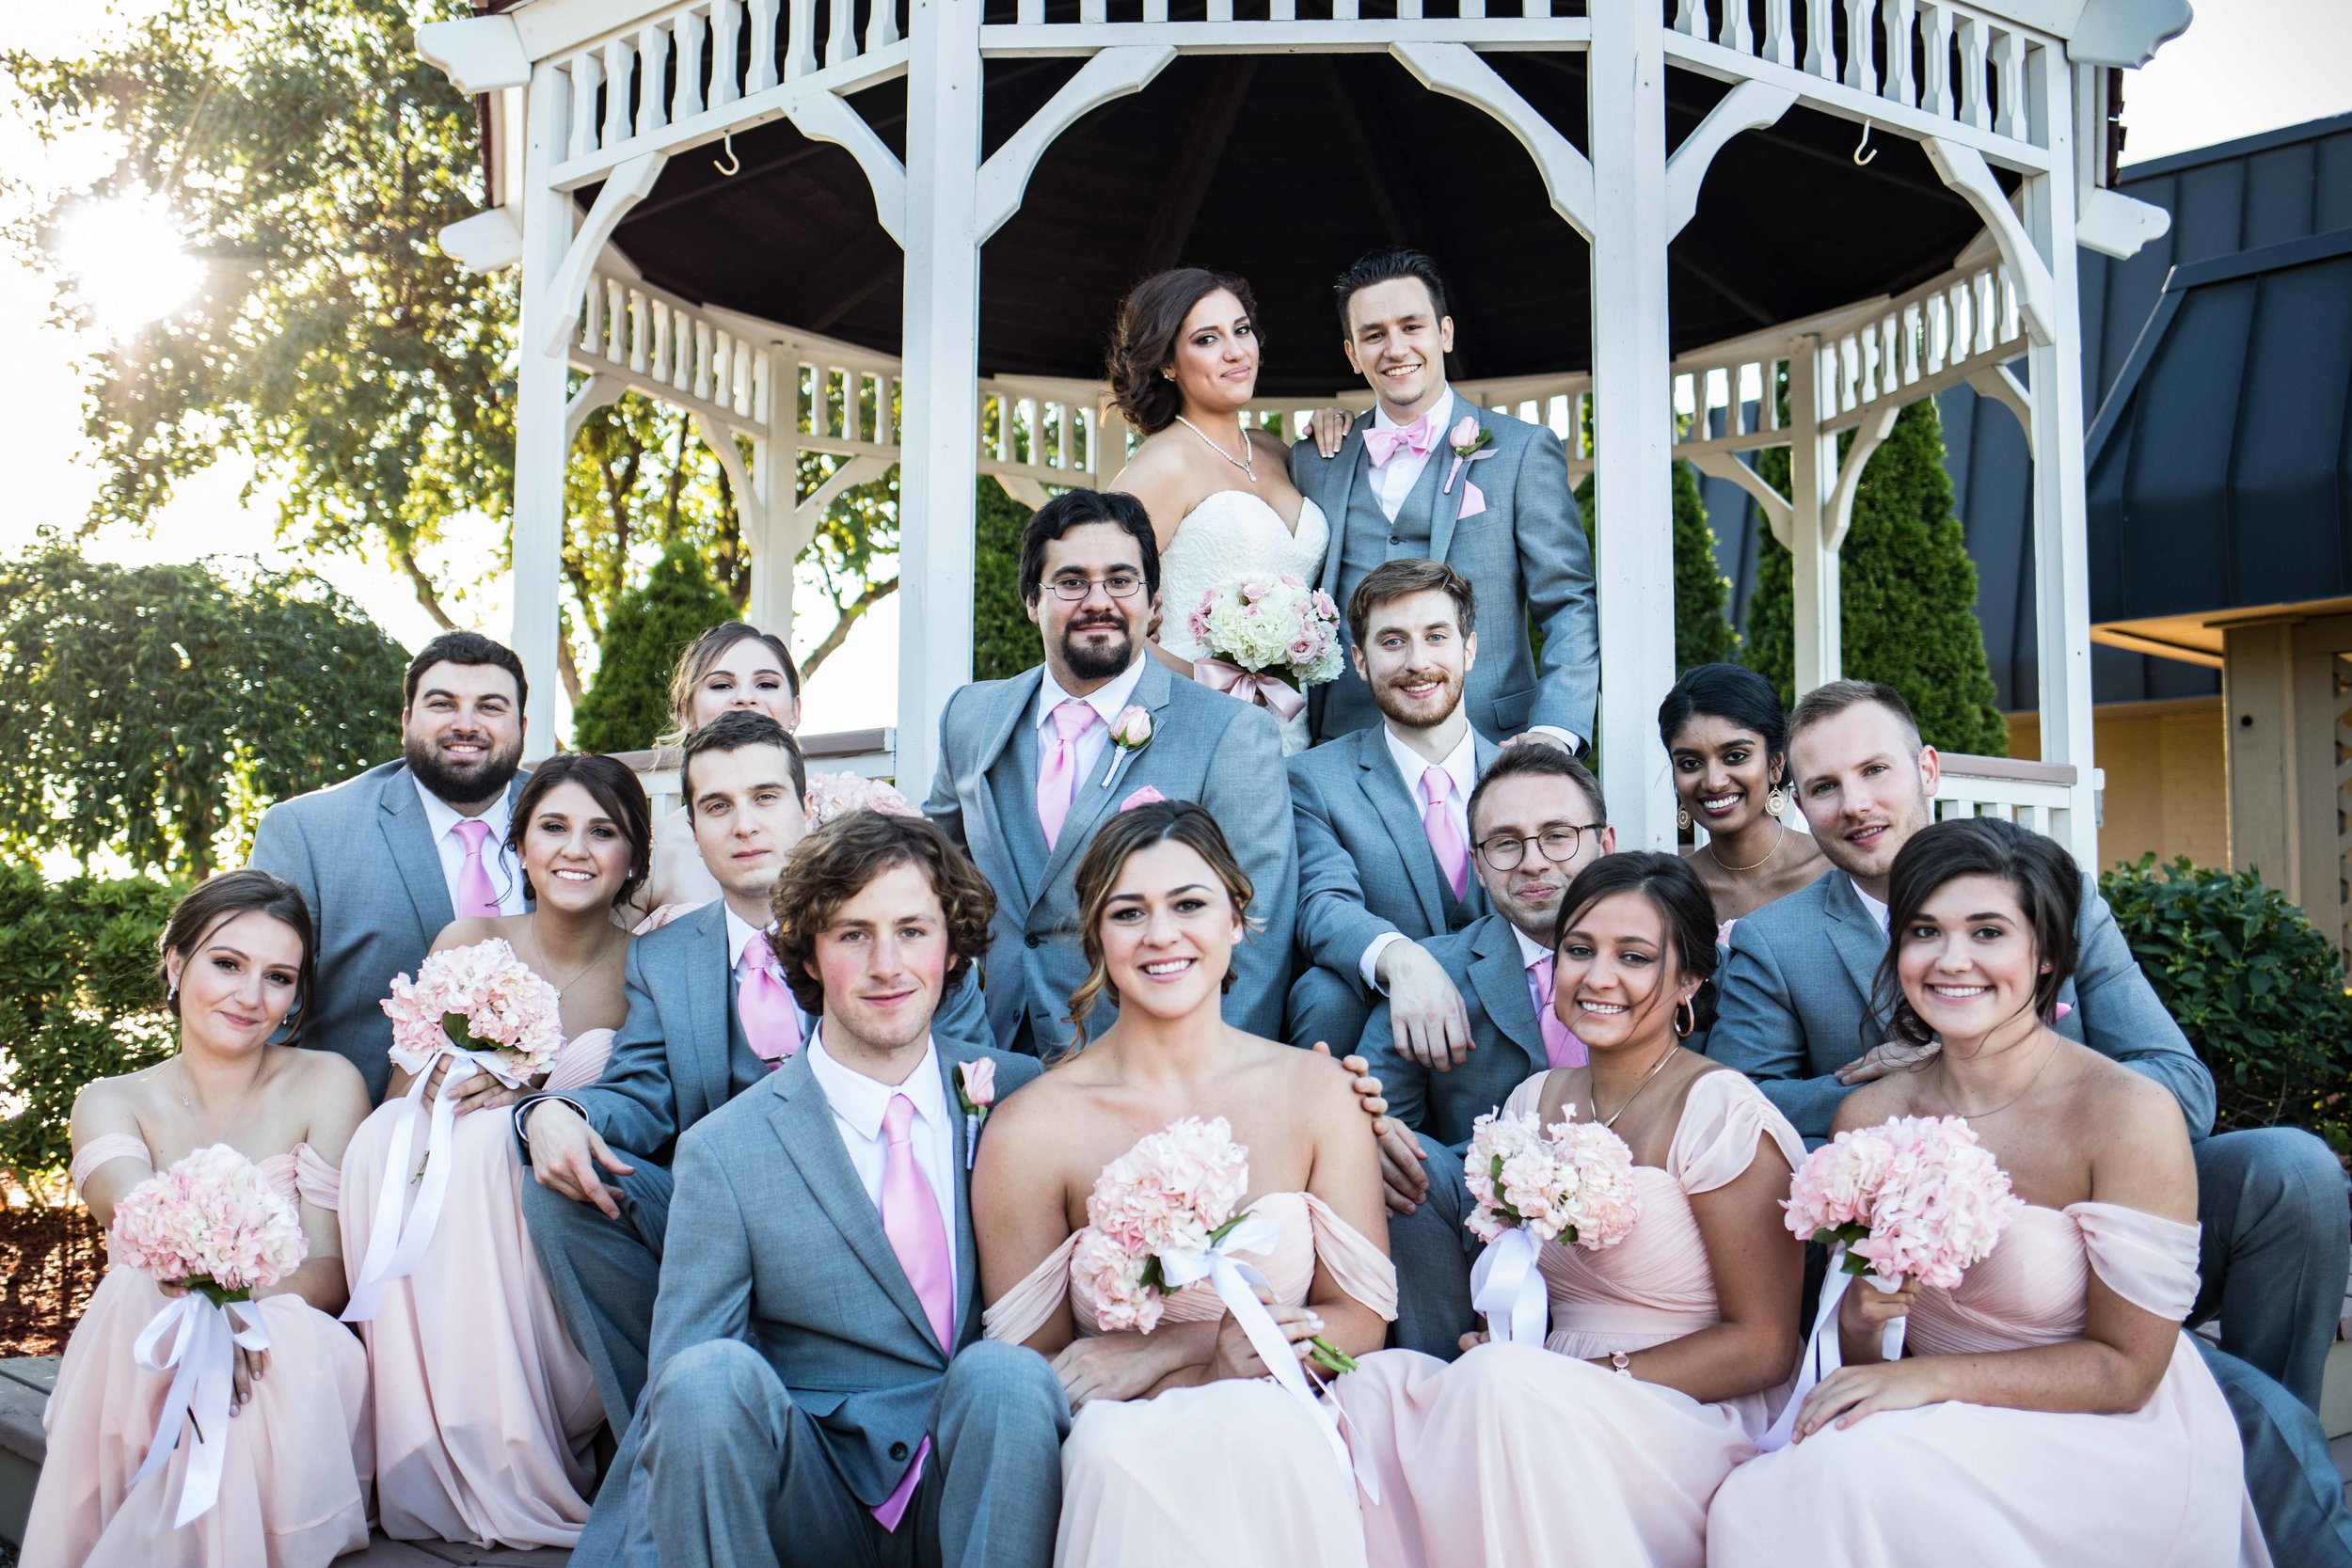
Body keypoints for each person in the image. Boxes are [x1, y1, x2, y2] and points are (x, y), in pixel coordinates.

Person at [1708, 678, 2352, 1566]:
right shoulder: (1779, 946)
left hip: (2103, 1213)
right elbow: (1745, 1108)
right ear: (1800, 804)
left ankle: (2246, 1437)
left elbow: (2176, 1078)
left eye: (1874, 770)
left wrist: (2050, 1117)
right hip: (1928, 1261)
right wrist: (1905, 1083)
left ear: (1925, 769)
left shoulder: (2059, 897)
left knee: (2294, 1175)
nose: (1855, 802)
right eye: (1824, 786)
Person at [576, 810, 1067, 1568]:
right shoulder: (725, 1150)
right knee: (706, 1377)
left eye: (913, 930)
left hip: (972, 1479)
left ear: (952, 944)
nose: (887, 964)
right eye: (852, 933)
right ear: (806, 954)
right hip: (811, 1502)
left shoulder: (1020, 1095)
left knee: (1008, 1376)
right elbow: (680, 1404)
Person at [1333, 852, 1804, 1568]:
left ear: (1689, 981)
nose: (1598, 975)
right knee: (1373, 1389)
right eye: (1579, 949)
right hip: (1543, 1382)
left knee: (1499, 1388)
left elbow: (1766, 1345)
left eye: (1635, 956)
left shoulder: (1721, 1111)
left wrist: (1587, 1376)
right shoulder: (1535, 1100)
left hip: (1684, 1412)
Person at [975, 800, 1393, 1568]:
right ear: (1097, 936)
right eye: (1129, 911)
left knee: (1263, 1430)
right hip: (1124, 1439)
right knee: (1118, 1452)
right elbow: (1035, 1373)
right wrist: (1183, 1376)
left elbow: (1364, 1313)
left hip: (1283, 1415)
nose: (1162, 934)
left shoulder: (1317, 1090)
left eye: (1190, 904)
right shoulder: (1031, 1127)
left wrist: (1185, 1346)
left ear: (1237, 918)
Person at [339, 753, 650, 1549]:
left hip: (555, 1220)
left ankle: (514, 1438)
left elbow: (652, 1107)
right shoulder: (469, 938)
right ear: (518, 844)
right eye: (553, 826)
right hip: (440, 1222)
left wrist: (532, 1101)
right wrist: (461, 1071)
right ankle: (422, 1435)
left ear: (632, 857)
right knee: (393, 1137)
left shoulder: (650, 964)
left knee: (487, 1150)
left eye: (602, 831)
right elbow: (400, 1093)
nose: (575, 848)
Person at [26, 871, 373, 1568]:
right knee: (139, 1295)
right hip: (148, 1342)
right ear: (177, 962)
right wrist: (208, 1317)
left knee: (254, 1346)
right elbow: (143, 1238)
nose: (251, 996)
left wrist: (236, 1313)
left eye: (278, 976)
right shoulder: (111, 1098)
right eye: (227, 963)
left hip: (286, 1341)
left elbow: (332, 1273)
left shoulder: (328, 1080)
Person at [515, 712, 822, 1432]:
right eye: (717, 805)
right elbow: (640, 1094)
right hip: (714, 1213)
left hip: (860, 1209)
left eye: (765, 797)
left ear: (805, 808)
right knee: (564, 1189)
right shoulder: (665, 955)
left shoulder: (879, 926)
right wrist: (556, 1112)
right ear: (693, 825)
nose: (743, 823)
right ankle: (656, 1435)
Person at [926, 486, 1298, 1053]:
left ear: (1154, 602)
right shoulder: (969, 717)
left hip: (1149, 1056)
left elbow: (1259, 929)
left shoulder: (1230, 734)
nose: (1098, 600)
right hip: (995, 1052)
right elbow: (930, 878)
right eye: (1072, 582)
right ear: (1032, 600)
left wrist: (1211, 1079)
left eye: (1121, 581)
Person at [1356, 744, 1617, 1355]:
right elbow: (1377, 1115)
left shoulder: (1663, 958)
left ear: (1604, 844)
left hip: (1639, 1236)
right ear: (1477, 863)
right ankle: (1443, 1375)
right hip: (1480, 1236)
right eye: (1505, 843)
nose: (1532, 861)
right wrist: (1359, 1121)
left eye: (1557, 835)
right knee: (1399, 1158)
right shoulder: (1436, 973)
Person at [1292, 246, 1597, 749]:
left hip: (1490, 742)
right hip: (1342, 745)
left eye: (1411, 327)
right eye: (1374, 335)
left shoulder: (1521, 451)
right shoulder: (1316, 459)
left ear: (1445, 333)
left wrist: (1554, 729)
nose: (1395, 348)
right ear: (1352, 354)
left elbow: (1568, 603)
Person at [250, 629, 532, 1101]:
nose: (466, 724)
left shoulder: (571, 824)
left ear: (521, 723)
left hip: (540, 1134)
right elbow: (265, 1011)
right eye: (442, 704)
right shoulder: (308, 832)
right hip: (359, 1136)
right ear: (405, 720)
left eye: (490, 706)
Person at [1107, 267, 1334, 754]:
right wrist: (1205, 683)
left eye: (1242, 330)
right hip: (1196, 727)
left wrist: (1339, 427)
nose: (1235, 351)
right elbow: (1095, 606)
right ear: (1167, 362)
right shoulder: (1164, 465)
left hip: (1296, 734)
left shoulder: (1275, 451)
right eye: (1207, 339)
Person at [1286, 558, 1496, 1060]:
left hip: (1508, 1017)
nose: (1417, 662)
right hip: (1377, 1015)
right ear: (1359, 661)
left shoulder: (1526, 780)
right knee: (1324, 993)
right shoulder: (1314, 780)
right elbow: (1322, 904)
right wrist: (1401, 958)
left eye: (1437, 637)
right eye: (1393, 641)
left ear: (1469, 649)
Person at [636, 622, 804, 917]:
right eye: (721, 685)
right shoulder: (654, 853)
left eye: (766, 684)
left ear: (795, 709)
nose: (745, 698)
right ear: (685, 713)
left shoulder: (844, 826)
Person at [1658, 662, 1826, 933]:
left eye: (1735, 756)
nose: (1714, 782)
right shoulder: (1668, 891)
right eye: (1690, 763)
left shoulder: (1833, 873)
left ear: (1775, 765)